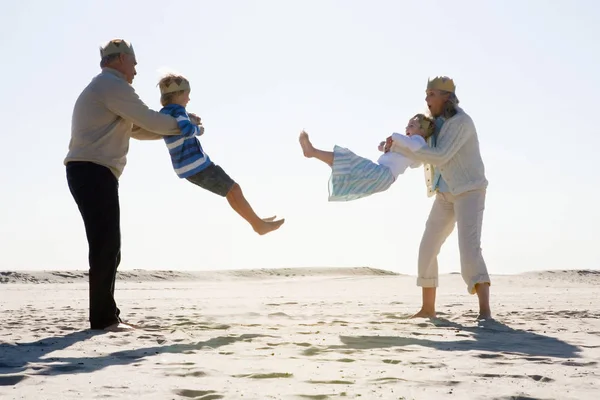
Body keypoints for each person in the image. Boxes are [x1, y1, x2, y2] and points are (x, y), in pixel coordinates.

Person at [64, 39, 202, 331]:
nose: (137, 69)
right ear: (121, 59)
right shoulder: (111, 86)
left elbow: (140, 128)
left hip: (92, 171)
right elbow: (149, 119)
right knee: (106, 245)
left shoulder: (109, 88)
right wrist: (187, 125)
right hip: (92, 170)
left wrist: (180, 128)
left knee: (108, 245)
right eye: (134, 62)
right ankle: (104, 320)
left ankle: (106, 316)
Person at [388, 76, 491, 320]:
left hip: (469, 191)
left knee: (469, 251)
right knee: (427, 249)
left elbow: (440, 155)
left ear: (447, 96)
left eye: (431, 94)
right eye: (426, 94)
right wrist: (395, 147)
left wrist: (404, 147)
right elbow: (420, 156)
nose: (426, 98)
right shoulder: (433, 124)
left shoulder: (461, 122)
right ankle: (428, 310)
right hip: (445, 194)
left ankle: (485, 312)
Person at [157, 74, 285, 235]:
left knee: (230, 191)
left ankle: (256, 222)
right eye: (186, 94)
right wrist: (198, 130)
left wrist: (190, 117)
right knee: (234, 189)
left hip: (186, 169)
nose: (188, 99)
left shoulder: (166, 112)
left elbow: (178, 122)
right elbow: (187, 130)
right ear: (177, 95)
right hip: (197, 166)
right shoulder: (179, 111)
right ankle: (258, 225)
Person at [299, 114, 435, 201]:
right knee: (348, 166)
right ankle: (313, 152)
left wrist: (394, 138)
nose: (407, 128)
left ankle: (313, 152)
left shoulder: (418, 141)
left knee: (348, 161)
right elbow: (385, 148)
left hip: (383, 174)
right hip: (382, 176)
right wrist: (386, 146)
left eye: (411, 125)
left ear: (422, 131)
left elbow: (414, 148)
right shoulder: (406, 146)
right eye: (407, 126)